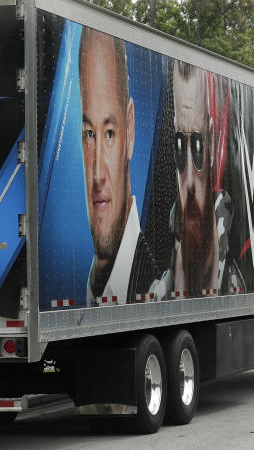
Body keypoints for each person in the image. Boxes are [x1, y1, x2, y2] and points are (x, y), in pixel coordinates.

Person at [78, 28, 159, 306]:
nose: (98, 175)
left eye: (109, 133)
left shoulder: (154, 285)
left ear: (131, 128)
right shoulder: (89, 290)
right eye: (90, 134)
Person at [162, 61, 244, 297]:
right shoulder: (160, 292)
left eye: (197, 146)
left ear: (212, 142)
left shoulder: (235, 287)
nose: (188, 183)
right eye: (179, 145)